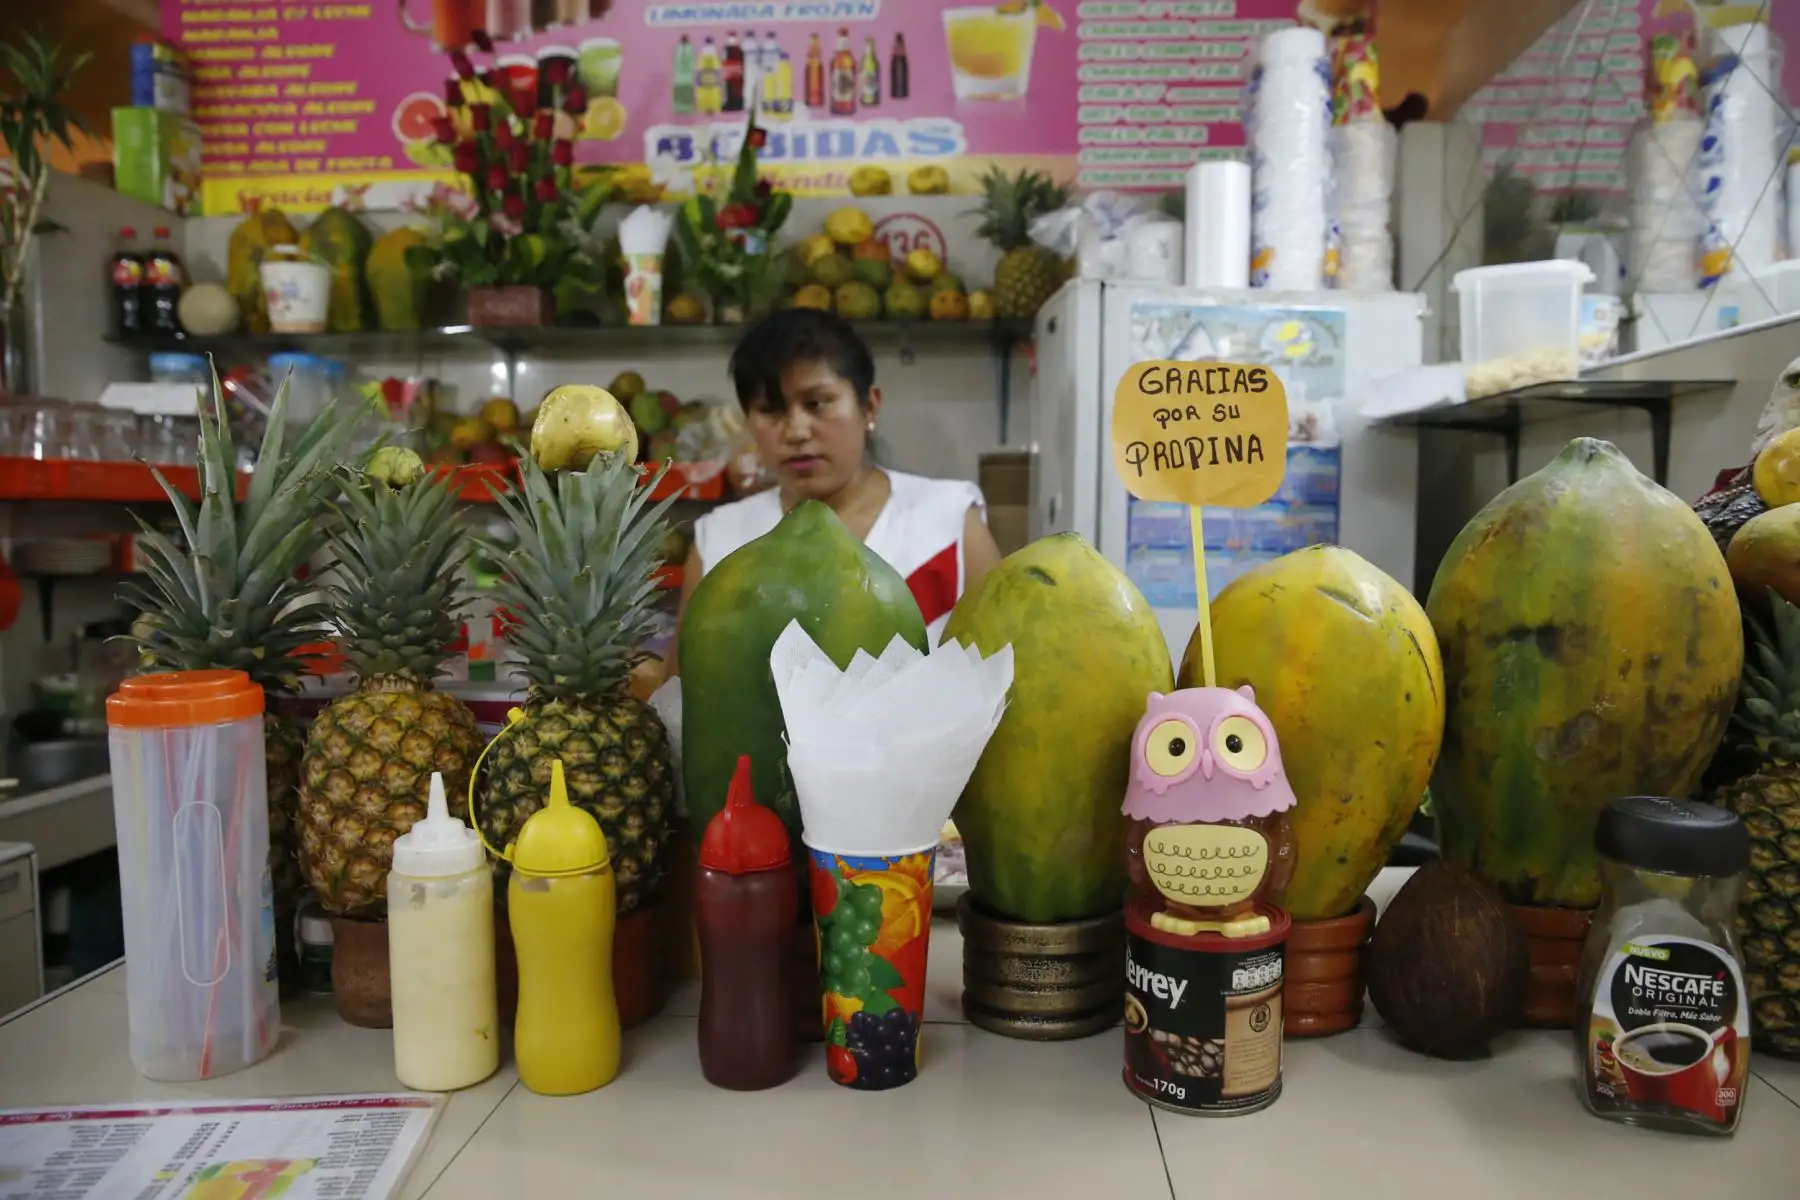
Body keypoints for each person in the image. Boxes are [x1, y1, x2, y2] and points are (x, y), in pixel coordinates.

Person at [667, 309, 1003, 673]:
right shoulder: (720, 541)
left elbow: (1007, 675)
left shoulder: (949, 523)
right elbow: (681, 694)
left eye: (816, 404)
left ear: (869, 405)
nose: (796, 431)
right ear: (750, 421)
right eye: (771, 410)